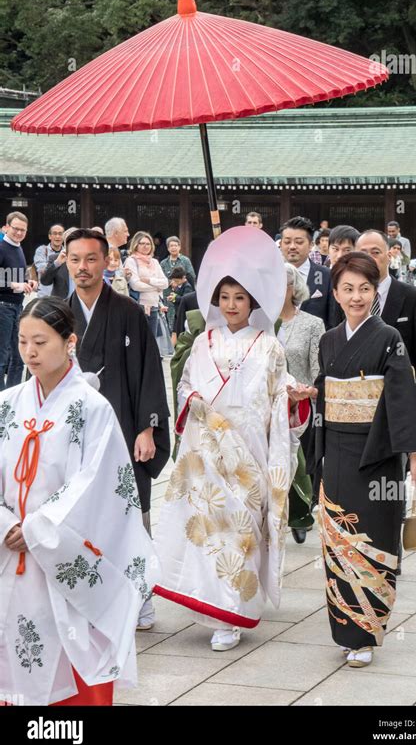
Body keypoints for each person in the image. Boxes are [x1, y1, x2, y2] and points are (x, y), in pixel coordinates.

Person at [154, 226, 313, 650]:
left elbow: (281, 401)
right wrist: (196, 404)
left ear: (252, 302)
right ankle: (215, 606)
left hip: (250, 451)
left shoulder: (269, 348)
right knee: (212, 528)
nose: (230, 306)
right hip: (209, 449)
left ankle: (236, 612)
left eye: (239, 298)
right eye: (224, 298)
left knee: (242, 530)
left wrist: (295, 401)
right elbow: (185, 387)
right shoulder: (203, 343)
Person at [0, 297, 159, 705]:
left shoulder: (92, 409)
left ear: (69, 341)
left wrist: (36, 529)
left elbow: (99, 488)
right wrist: (6, 525)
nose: (30, 352)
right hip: (7, 552)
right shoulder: (7, 405)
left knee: (68, 664)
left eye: (40, 341)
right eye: (22, 342)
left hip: (60, 554)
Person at [314, 252, 416, 668]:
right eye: (348, 288)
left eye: (365, 288)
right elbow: (326, 395)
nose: (356, 296)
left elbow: (401, 400)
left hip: (378, 456)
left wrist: (414, 458)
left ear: (375, 291)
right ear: (336, 292)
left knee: (374, 541)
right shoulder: (329, 340)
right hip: (338, 456)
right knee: (337, 544)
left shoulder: (389, 338)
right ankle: (346, 630)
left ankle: (367, 633)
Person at [65, 229, 171, 629]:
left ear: (107, 260)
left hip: (124, 429)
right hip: (76, 434)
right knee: (81, 515)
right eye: (75, 260)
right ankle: (87, 598)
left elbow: (148, 375)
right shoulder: (59, 313)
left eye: (91, 259)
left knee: (130, 514)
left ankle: (140, 598)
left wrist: (148, 428)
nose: (83, 268)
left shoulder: (127, 311)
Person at [356, 230, 416, 430]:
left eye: (375, 252)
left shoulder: (413, 298)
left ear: (389, 255)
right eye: (363, 253)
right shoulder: (347, 298)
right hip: (357, 400)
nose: (369, 258)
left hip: (400, 399)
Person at [278, 263, 325, 543]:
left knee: (299, 462)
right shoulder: (260, 321)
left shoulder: (311, 324)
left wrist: (309, 390)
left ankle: (299, 509)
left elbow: (318, 368)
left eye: (283, 283)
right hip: (269, 403)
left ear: (294, 288)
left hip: (301, 407)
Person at [0, 212, 37, 389]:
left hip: (17, 306)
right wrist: (14, 285)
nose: (19, 233)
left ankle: (14, 397)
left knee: (19, 357)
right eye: (16, 229)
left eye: (23, 230)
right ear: (6, 227)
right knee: (2, 357)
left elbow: (16, 278)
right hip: (3, 307)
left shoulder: (19, 248)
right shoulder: (1, 247)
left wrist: (27, 282)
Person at [280, 216, 332, 329]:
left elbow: (332, 321)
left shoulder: (327, 276)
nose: (292, 246)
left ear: (311, 245)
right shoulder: (270, 277)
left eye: (299, 242)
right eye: (287, 242)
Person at [124, 231, 168, 338]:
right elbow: (136, 285)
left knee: (152, 341)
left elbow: (165, 283)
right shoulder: (131, 261)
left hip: (154, 306)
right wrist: (156, 286)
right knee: (138, 340)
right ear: (136, 245)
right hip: (138, 305)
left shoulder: (155, 262)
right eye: (142, 243)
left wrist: (149, 280)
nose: (145, 246)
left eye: (148, 244)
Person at [41, 226, 79, 300]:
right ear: (64, 244)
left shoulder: (86, 261)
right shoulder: (56, 258)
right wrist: (57, 263)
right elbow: (45, 281)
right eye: (69, 242)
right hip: (61, 304)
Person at [33, 224, 65, 297]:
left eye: (60, 234)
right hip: (45, 295)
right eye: (55, 233)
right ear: (49, 236)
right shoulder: (41, 250)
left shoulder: (67, 252)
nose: (57, 236)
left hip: (62, 297)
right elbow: (42, 269)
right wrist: (57, 264)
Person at [163, 266, 194, 333]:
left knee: (178, 332)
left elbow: (185, 299)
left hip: (184, 315)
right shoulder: (178, 286)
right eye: (174, 280)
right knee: (174, 332)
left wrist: (175, 297)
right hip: (178, 313)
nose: (175, 282)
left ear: (183, 278)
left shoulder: (187, 287)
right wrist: (172, 298)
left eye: (177, 281)